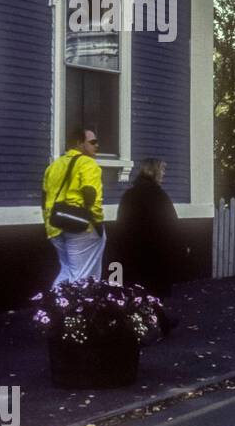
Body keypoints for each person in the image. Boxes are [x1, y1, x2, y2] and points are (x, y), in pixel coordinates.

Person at [117, 158, 182, 335]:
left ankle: (152, 322)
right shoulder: (159, 196)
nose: (164, 175)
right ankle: (157, 325)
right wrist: (179, 248)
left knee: (138, 291)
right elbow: (171, 224)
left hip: (132, 253)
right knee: (154, 291)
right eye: (162, 171)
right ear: (154, 172)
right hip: (154, 253)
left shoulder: (128, 195)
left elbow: (121, 224)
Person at [41, 125, 105, 286]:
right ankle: (76, 310)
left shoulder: (53, 166)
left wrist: (49, 221)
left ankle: (52, 307)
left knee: (67, 271)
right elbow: (92, 196)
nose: (97, 145)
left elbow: (44, 198)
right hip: (81, 228)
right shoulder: (88, 163)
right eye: (93, 142)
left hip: (54, 225)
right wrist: (97, 224)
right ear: (79, 143)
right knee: (83, 277)